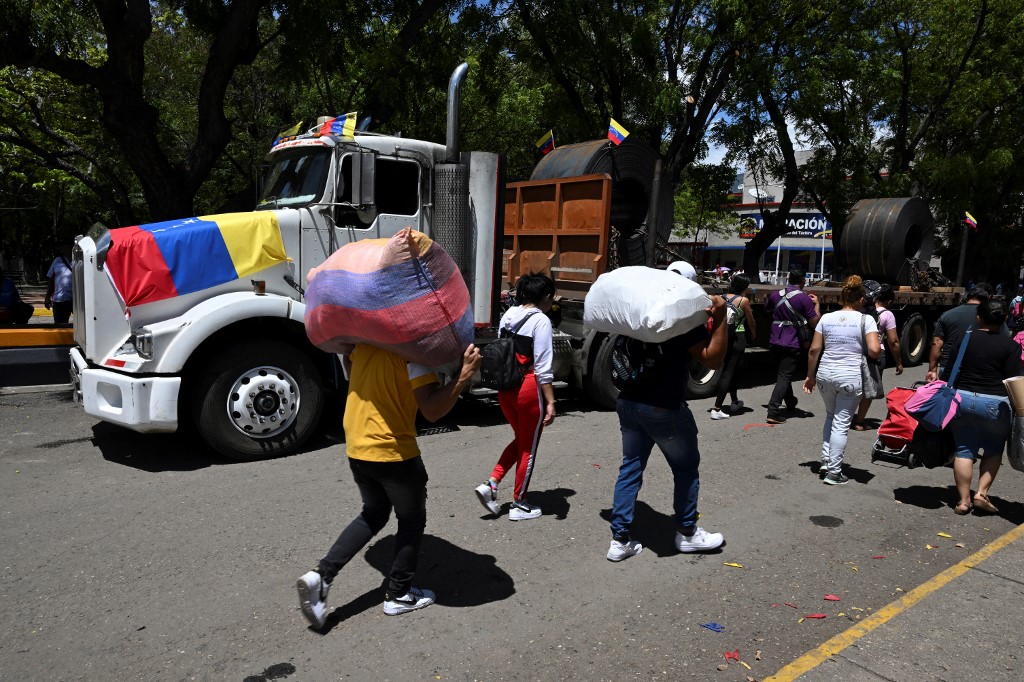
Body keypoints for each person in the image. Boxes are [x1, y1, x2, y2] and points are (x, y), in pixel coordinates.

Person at [296, 343, 482, 628]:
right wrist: (464, 375)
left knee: (373, 512)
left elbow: (348, 364)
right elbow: (432, 410)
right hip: (393, 452)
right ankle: (399, 594)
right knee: (411, 519)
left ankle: (321, 576)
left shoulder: (364, 346)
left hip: (358, 447)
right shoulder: (415, 355)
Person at [605, 292, 729, 562]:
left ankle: (619, 540)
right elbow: (711, 359)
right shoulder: (680, 320)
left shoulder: (634, 316)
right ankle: (687, 533)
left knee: (630, 468)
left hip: (628, 402)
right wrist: (720, 319)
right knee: (685, 469)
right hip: (663, 407)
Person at [474, 273, 557, 521]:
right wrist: (551, 401)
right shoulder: (541, 321)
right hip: (528, 388)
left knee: (522, 440)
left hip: (505, 388)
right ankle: (520, 503)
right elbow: (543, 368)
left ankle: (492, 483)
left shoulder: (509, 314)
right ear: (547, 297)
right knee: (528, 448)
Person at [802, 276, 881, 485]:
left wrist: (810, 376)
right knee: (841, 423)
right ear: (862, 299)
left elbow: (814, 349)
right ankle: (834, 472)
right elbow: (874, 351)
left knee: (830, 416)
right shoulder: (867, 320)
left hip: (825, 375)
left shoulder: (826, 318)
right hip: (849, 376)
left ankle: (826, 461)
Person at [947, 300, 1021, 515]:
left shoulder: (964, 338)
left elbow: (950, 370)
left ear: (978, 317)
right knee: (993, 448)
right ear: (1004, 319)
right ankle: (981, 493)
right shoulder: (1011, 346)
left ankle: (963, 501)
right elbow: (1012, 379)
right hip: (995, 403)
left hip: (962, 398)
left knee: (963, 449)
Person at [765, 268, 820, 424]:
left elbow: (767, 308)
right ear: (803, 281)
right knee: (784, 376)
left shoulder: (775, 294)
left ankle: (790, 401)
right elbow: (814, 322)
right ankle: (773, 411)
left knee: (783, 372)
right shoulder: (804, 299)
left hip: (775, 339)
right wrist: (817, 305)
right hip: (792, 341)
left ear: (788, 279)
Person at [926, 284, 1008, 382]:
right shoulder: (990, 317)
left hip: (949, 367)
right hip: (978, 369)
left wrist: (932, 369)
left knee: (948, 395)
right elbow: (1005, 340)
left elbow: (937, 342)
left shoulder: (947, 315)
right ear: (987, 299)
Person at [853, 284, 904, 429]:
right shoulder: (887, 314)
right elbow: (893, 341)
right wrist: (898, 362)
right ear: (889, 301)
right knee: (869, 388)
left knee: (854, 384)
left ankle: (846, 415)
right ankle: (859, 422)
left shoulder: (861, 310)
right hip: (875, 353)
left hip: (857, 351)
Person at [710, 274, 757, 419]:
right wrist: (754, 335)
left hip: (721, 336)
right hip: (738, 337)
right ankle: (717, 408)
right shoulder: (743, 301)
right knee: (728, 371)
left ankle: (734, 401)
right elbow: (751, 322)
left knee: (733, 369)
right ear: (744, 287)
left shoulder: (721, 297)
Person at [45, 250, 74, 324]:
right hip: (59, 299)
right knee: (59, 325)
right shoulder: (57, 260)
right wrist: (47, 298)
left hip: (76, 300)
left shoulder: (80, 259)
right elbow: (51, 280)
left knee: (82, 325)